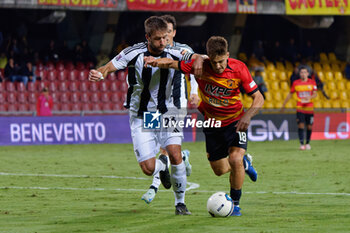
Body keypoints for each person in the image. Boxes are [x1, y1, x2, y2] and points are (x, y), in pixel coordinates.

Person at [88, 16, 203, 215]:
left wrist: (196, 63)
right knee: (149, 168)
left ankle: (180, 203)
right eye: (158, 39)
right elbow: (109, 66)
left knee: (174, 152)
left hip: (169, 110)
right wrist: (100, 73)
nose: (162, 43)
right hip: (143, 114)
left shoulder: (177, 50)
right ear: (147, 37)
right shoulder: (133, 53)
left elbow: (195, 58)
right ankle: (163, 164)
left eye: (165, 38)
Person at [145, 36, 264, 216]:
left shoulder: (239, 68)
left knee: (234, 159)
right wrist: (154, 62)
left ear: (228, 55)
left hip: (235, 122)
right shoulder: (200, 67)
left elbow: (259, 97)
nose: (218, 66)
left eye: (222, 62)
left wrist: (247, 116)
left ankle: (235, 204)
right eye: (214, 62)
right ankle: (245, 164)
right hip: (212, 124)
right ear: (208, 57)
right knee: (220, 170)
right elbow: (171, 63)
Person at [140, 14, 197, 205]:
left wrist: (195, 92)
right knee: (157, 149)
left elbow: (195, 70)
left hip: (176, 104)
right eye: (163, 33)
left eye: (169, 32)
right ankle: (180, 158)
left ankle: (163, 193)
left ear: (173, 32)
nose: (166, 36)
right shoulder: (149, 52)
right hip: (153, 106)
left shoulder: (182, 51)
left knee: (167, 149)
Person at [281, 66, 317, 150]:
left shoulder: (312, 82)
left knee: (309, 127)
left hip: (309, 108)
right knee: (301, 125)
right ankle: (301, 144)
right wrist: (284, 104)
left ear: (308, 74)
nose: (303, 74)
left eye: (305, 72)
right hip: (300, 108)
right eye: (301, 72)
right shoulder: (296, 83)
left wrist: (310, 97)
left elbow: (315, 94)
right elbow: (290, 94)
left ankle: (307, 143)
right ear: (299, 74)